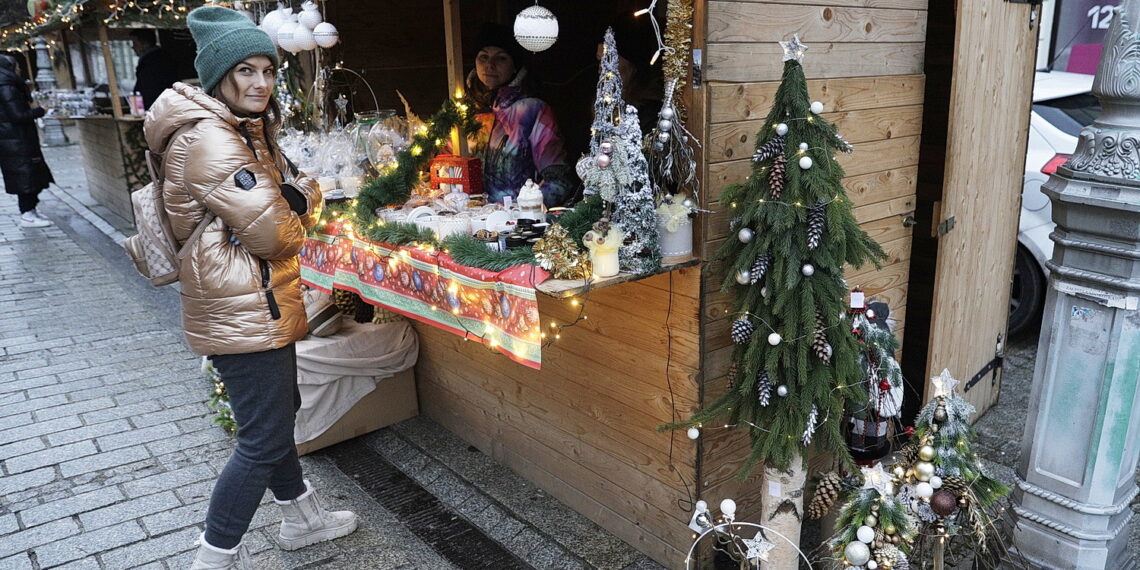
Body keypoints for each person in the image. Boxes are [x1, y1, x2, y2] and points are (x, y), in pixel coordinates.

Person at [144, 7, 353, 568]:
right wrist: (304, 193)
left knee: (275, 416)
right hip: (246, 306)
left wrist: (286, 192)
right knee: (261, 439)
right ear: (219, 77)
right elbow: (279, 236)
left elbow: (269, 208)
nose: (260, 83)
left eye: (267, 70)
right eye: (246, 72)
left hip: (247, 300)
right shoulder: (214, 139)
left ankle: (301, 516)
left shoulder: (237, 128)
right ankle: (214, 557)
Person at [465, 23, 575, 208]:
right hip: (467, 220)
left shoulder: (533, 111)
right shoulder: (465, 110)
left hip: (516, 225)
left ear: (515, 65)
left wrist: (523, 211)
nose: (489, 65)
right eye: (483, 57)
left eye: (501, 58)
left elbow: (559, 180)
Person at [0, 53, 54, 228]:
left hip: (15, 139)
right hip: (16, 139)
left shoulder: (8, 84)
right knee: (26, 176)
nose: (20, 68)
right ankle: (27, 213)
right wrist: (40, 111)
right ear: (10, 67)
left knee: (30, 174)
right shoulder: (7, 86)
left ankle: (31, 211)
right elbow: (17, 115)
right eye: (17, 65)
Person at [129, 28, 179, 110]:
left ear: (145, 43)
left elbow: (149, 89)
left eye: (135, 43)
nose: (133, 47)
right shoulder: (157, 59)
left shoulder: (153, 62)